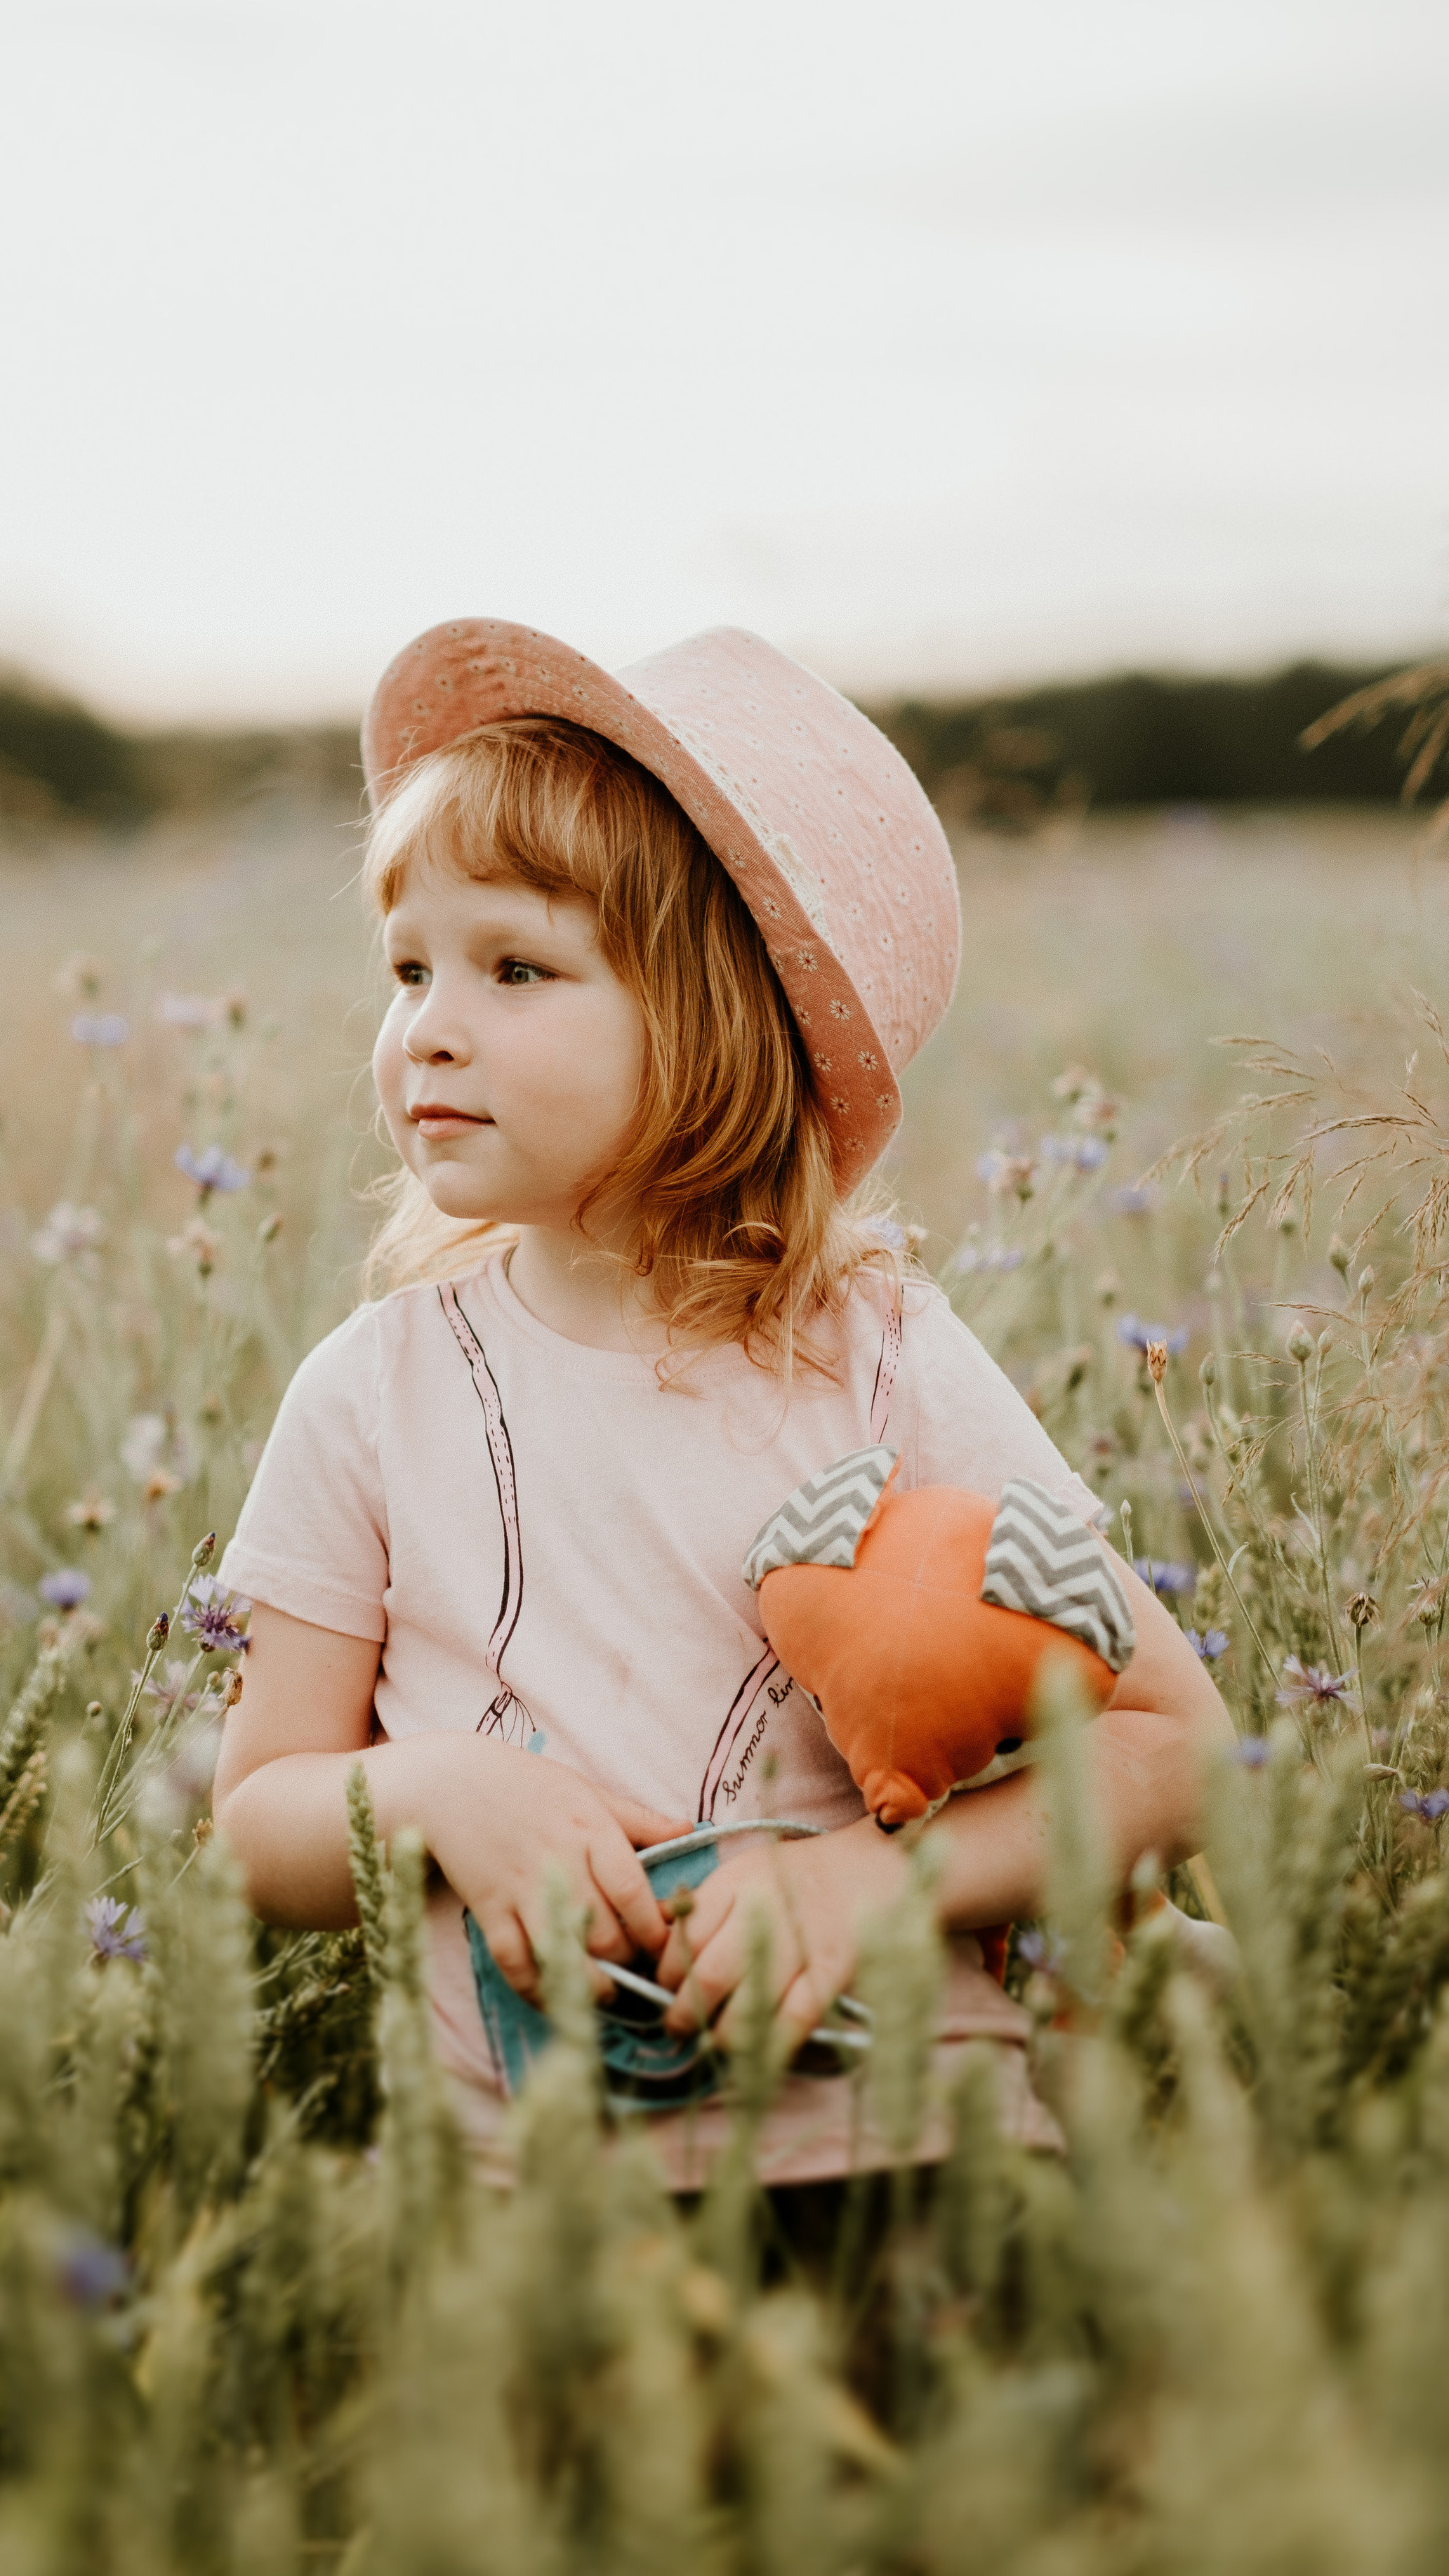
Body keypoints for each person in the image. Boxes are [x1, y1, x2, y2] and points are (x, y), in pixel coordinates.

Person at [211, 616, 1232, 2188]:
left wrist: (862, 1888)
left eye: (515, 969)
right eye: (407, 968)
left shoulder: (878, 1356)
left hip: (914, 2155)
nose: (428, 1024)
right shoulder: (372, 1395)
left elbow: (1169, 1741)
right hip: (533, 2186)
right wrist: (426, 1792)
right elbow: (256, 1822)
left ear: (710, 1025)